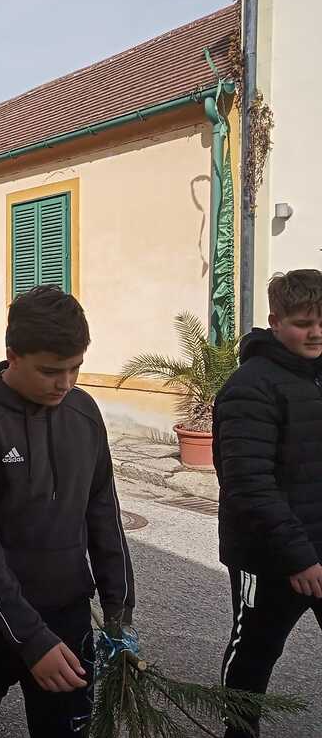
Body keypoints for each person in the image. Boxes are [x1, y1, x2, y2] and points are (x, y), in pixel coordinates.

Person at [0, 286, 134, 738]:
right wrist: (30, 638)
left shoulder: (84, 413)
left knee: (65, 729)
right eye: (50, 371)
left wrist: (119, 609)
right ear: (13, 356)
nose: (66, 383)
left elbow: (104, 512)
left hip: (66, 610)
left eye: (76, 367)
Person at [213, 269, 322, 738]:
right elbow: (248, 484)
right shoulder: (250, 387)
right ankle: (239, 730)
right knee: (254, 651)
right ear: (275, 322)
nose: (316, 332)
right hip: (269, 556)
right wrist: (297, 557)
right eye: (303, 323)